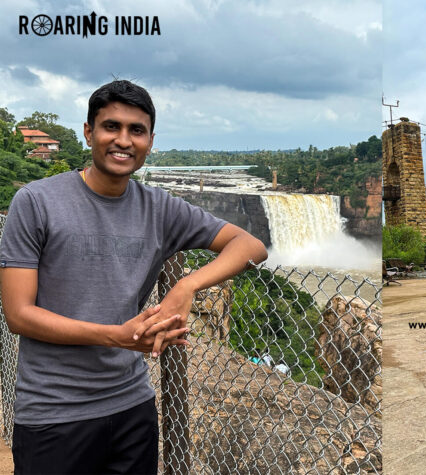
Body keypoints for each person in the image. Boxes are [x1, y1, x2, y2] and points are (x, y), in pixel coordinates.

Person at [0, 80, 268, 474]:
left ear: (150, 140)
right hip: (52, 413)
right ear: (89, 131)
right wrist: (114, 336)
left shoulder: (159, 208)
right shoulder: (37, 202)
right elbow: (18, 315)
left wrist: (186, 285)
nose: (123, 140)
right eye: (111, 127)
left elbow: (250, 245)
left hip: (131, 407)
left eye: (136, 130)